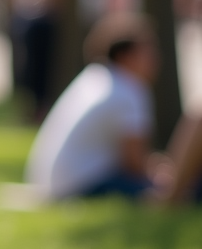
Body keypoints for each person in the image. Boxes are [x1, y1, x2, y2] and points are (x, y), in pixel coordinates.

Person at [24, 12, 158, 201]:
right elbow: (134, 164)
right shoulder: (129, 89)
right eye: (148, 51)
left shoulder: (95, 77)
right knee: (174, 190)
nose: (155, 58)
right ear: (125, 55)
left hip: (54, 183)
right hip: (80, 185)